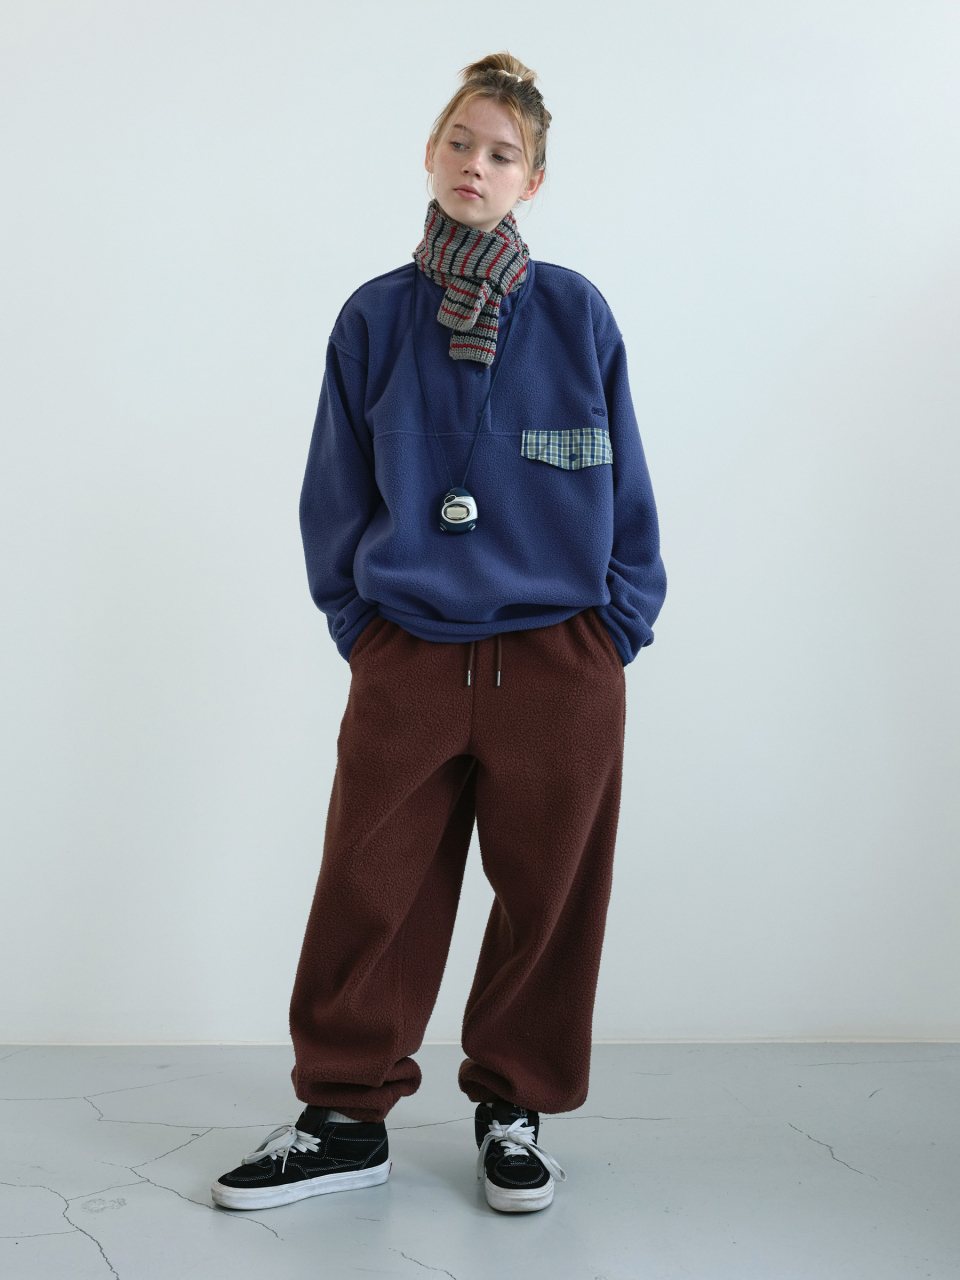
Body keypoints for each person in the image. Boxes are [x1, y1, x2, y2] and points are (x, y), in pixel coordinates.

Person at [212, 50, 666, 1216]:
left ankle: (514, 1107)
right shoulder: (374, 315)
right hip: (409, 650)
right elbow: (334, 487)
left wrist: (617, 623)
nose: (476, 163)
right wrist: (361, 623)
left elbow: (626, 478)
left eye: (503, 152)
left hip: (560, 659)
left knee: (548, 895)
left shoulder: (575, 312)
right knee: (372, 883)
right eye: (460, 141)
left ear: (533, 181)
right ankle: (344, 1115)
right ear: (430, 153)